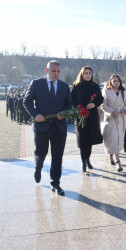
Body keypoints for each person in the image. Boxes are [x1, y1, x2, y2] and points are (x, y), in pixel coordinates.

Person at [23, 60, 72, 196]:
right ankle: (38, 167)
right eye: (53, 71)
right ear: (47, 71)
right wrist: (35, 114)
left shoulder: (64, 86)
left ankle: (55, 183)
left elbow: (69, 104)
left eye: (58, 71)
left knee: (57, 156)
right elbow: (26, 101)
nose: (56, 74)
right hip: (41, 126)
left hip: (59, 127)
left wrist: (65, 113)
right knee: (41, 152)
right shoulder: (36, 84)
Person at [71, 66, 104, 172]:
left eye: (90, 73)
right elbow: (72, 100)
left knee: (90, 140)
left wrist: (94, 104)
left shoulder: (95, 86)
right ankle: (83, 162)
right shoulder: (76, 86)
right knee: (82, 140)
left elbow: (100, 98)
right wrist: (78, 108)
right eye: (86, 73)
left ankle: (88, 160)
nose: (88, 75)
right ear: (82, 74)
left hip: (92, 116)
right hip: (80, 116)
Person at [101, 74, 126, 171]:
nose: (116, 82)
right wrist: (112, 111)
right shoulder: (106, 91)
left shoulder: (124, 91)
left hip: (121, 118)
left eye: (118, 80)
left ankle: (116, 159)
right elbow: (103, 106)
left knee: (118, 138)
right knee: (112, 139)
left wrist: (125, 110)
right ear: (111, 82)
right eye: (114, 81)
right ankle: (115, 160)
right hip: (111, 117)